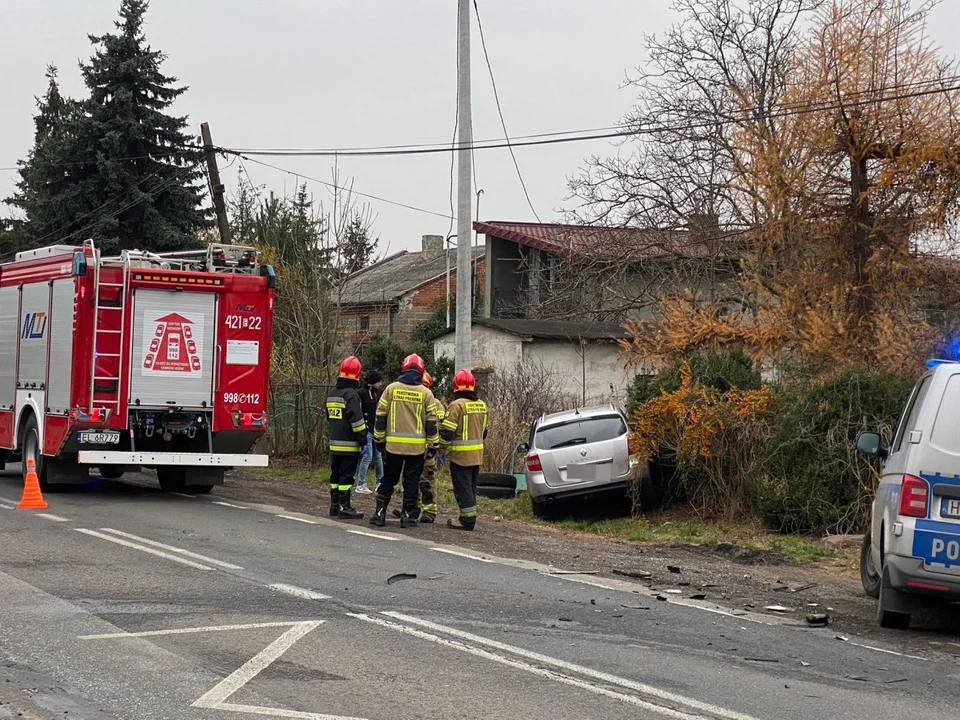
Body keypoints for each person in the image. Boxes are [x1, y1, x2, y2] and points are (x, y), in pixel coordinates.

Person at [371, 353, 439, 528]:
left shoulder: (391, 389)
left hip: (392, 447)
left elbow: (380, 417)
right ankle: (408, 517)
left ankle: (379, 515)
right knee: (411, 481)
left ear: (404, 368)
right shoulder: (426, 393)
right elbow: (431, 423)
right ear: (421, 371)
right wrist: (433, 445)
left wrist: (379, 440)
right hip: (416, 450)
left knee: (388, 479)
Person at [392, 370, 444, 523]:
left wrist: (433, 446)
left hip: (426, 449)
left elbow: (437, 426)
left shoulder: (436, 404)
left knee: (426, 481)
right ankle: (410, 509)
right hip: (413, 449)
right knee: (409, 479)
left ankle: (429, 512)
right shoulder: (413, 400)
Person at [440, 369, 488, 531]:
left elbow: (447, 433)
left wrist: (438, 448)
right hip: (477, 455)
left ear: (456, 387)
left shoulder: (456, 405)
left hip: (460, 456)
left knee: (462, 488)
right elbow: (485, 432)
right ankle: (467, 516)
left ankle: (467, 521)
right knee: (471, 487)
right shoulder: (482, 405)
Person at [324, 356, 367, 520]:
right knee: (346, 478)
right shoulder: (352, 395)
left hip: (334, 445)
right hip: (349, 445)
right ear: (357, 375)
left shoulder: (332, 394)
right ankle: (345, 507)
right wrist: (363, 439)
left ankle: (334, 506)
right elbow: (357, 421)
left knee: (335, 476)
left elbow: (329, 418)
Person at [353, 370, 384, 495]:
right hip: (366, 429)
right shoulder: (361, 393)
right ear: (373, 382)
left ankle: (380, 482)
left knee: (378, 457)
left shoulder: (377, 393)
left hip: (375, 429)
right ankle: (361, 483)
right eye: (379, 381)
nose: (381, 384)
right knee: (368, 456)